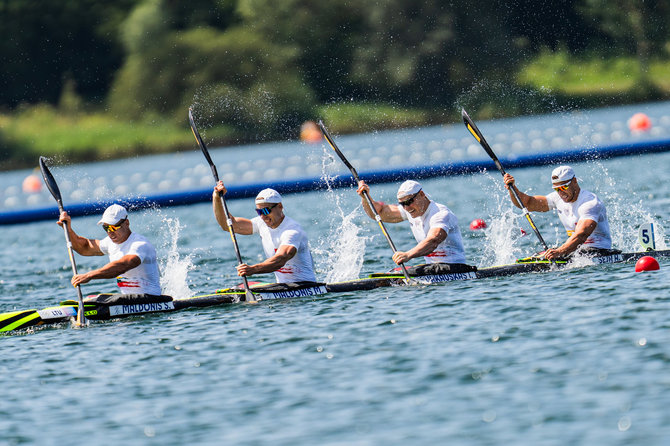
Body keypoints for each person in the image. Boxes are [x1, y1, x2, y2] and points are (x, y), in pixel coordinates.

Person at [212, 181, 317, 284]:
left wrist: (253, 269)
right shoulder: (260, 223)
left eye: (266, 211)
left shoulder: (292, 231)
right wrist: (217, 198)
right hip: (283, 286)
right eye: (259, 212)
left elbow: (281, 259)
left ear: (280, 206)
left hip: (305, 285)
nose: (262, 216)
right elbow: (228, 225)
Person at [356, 179, 471, 272]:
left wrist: (408, 255)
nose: (406, 208)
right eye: (402, 204)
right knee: (393, 272)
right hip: (433, 268)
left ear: (421, 194)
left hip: (455, 266)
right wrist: (365, 197)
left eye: (409, 202)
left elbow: (433, 241)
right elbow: (379, 213)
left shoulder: (440, 214)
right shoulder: (410, 210)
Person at [503, 165, 614, 260]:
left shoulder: (590, 203)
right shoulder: (557, 198)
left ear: (574, 181)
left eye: (564, 187)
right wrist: (512, 189)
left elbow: (582, 234)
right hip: (574, 251)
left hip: (598, 250)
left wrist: (560, 251)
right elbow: (527, 203)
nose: (561, 192)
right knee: (537, 256)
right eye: (557, 189)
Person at [57, 204, 162, 296]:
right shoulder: (109, 243)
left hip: (151, 298)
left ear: (126, 223)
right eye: (106, 228)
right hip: (129, 300)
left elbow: (123, 265)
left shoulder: (140, 245)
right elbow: (84, 247)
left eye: (113, 227)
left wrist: (89, 275)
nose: (110, 232)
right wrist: (68, 229)